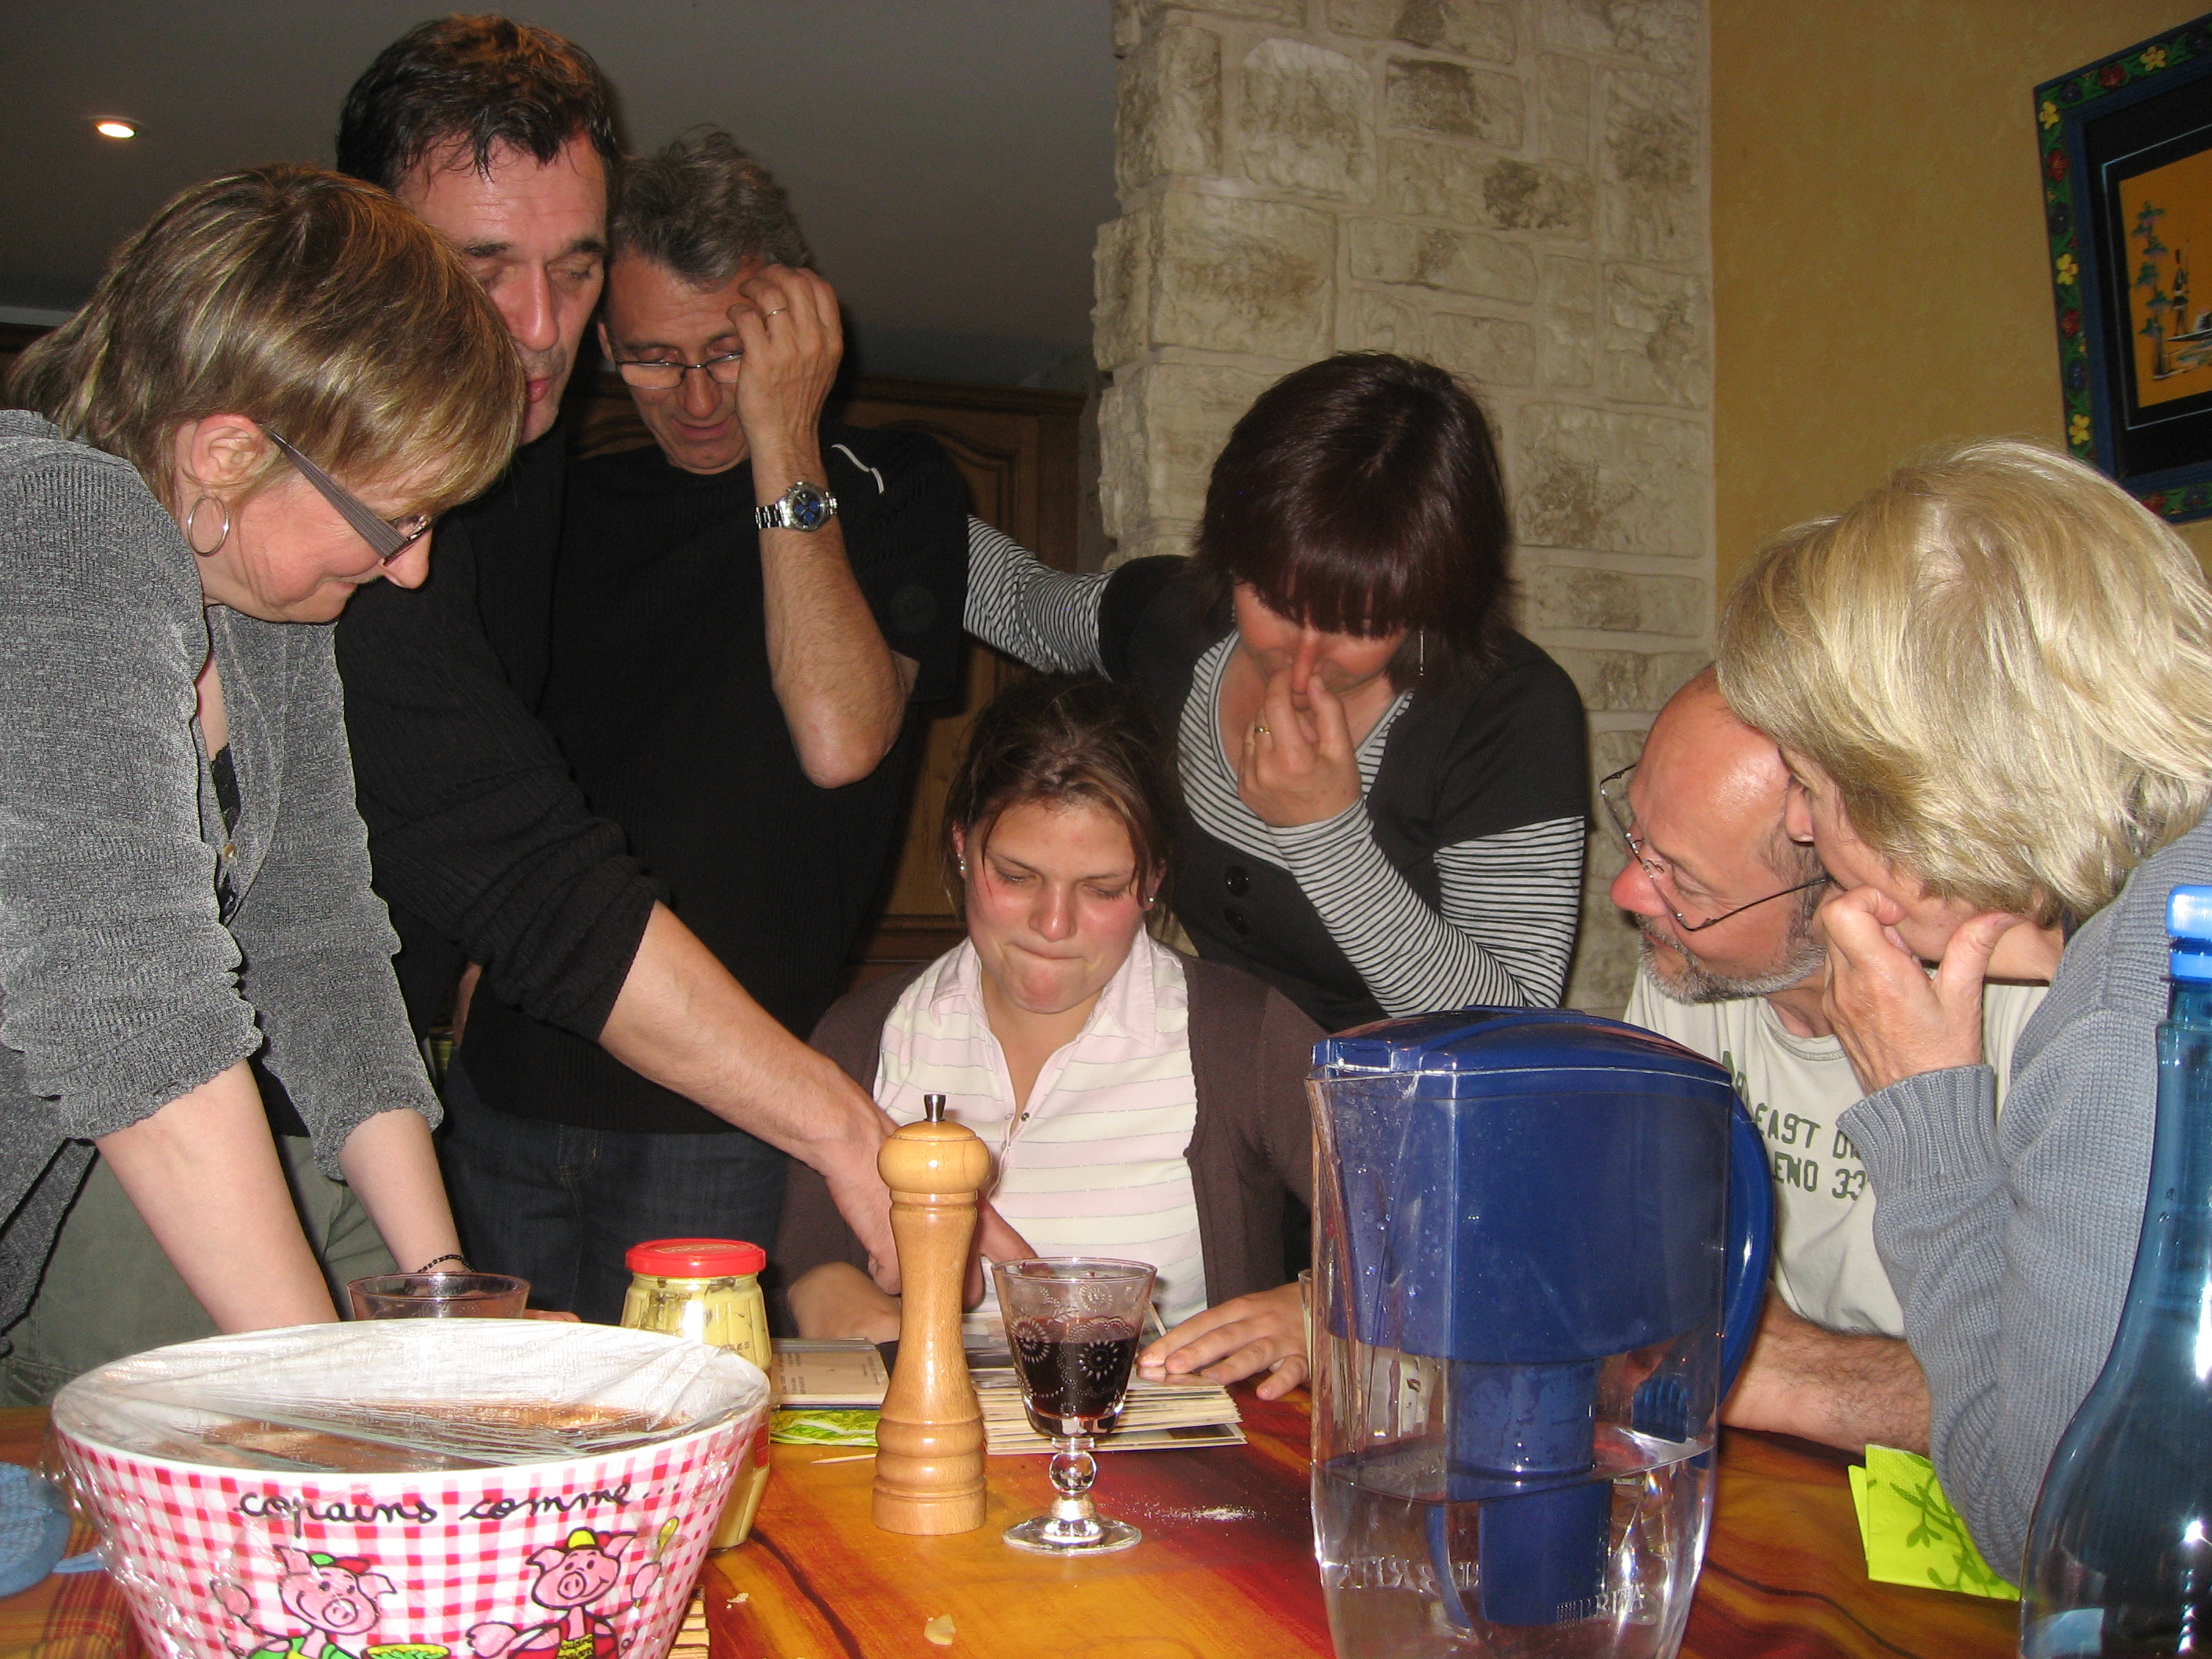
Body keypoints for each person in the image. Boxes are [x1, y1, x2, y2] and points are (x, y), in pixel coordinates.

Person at [328, 18, 982, 1305]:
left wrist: (782, 434)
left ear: (793, 329)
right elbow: (467, 780)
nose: (691, 397)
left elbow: (841, 735)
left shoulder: (889, 486)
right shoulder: (542, 496)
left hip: (726, 1116)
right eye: (649, 356)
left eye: (726, 354)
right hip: (506, 1093)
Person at [0, 164, 521, 1393]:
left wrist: (444, 1301)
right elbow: (137, 1018)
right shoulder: (53, 522)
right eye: (396, 520)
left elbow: (317, 936)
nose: (411, 568)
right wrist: (327, 1397)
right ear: (230, 452)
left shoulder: (258, 612)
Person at [1716, 438, 2212, 1575]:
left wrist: (1923, 1105)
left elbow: (2058, 1529)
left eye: (1812, 783)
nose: (1799, 827)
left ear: (1929, 789)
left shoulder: (2136, 1026)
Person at [966, 353, 1587, 1032]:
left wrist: (1324, 832)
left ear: (1433, 601)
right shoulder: (1170, 622)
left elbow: (1509, 1024)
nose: (1303, 660)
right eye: (1275, 603)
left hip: (1400, 1092)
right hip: (1222, 1071)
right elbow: (1014, 600)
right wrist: (879, 490)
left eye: (1362, 624)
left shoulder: (1509, 714)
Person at [780, 677, 1320, 1398]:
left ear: (1154, 880)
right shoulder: (863, 1036)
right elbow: (806, 1268)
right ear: (962, 847)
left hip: (1172, 1456)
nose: (1054, 925)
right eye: (1016, 876)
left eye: (1102, 889)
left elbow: (1437, 1233)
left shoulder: (1239, 1036)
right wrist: (830, 1296)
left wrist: (1318, 1309)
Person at [1608, 669, 2045, 1454]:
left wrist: (1787, 1372)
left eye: (1685, 880)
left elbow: (2093, 1413)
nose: (1628, 892)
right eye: (1636, 835)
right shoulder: (1690, 973)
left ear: (1854, 885)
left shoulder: (2043, 1020)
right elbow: (1637, 1292)